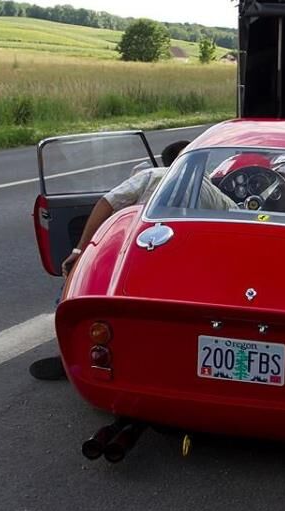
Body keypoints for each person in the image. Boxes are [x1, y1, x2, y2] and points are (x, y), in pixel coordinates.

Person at [28, 140, 191, 381]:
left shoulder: (151, 175)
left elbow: (107, 203)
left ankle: (71, 353)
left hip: (130, 253)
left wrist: (79, 250)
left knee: (78, 293)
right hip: (176, 262)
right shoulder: (207, 188)